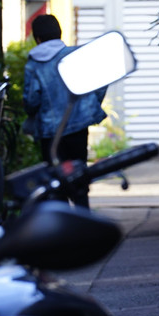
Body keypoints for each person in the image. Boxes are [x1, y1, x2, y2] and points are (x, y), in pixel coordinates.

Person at [22, 14, 107, 208]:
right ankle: (84, 221)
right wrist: (91, 105)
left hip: (51, 134)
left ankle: (64, 226)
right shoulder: (76, 56)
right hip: (78, 126)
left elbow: (32, 101)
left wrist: (31, 111)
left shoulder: (34, 65)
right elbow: (100, 83)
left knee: (57, 182)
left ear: (38, 39)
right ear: (59, 34)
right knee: (79, 178)